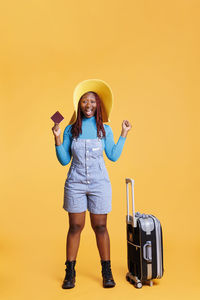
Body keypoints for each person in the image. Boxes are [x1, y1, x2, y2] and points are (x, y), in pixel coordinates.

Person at [52, 79, 132, 289]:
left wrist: (124, 134)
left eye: (93, 102)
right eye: (85, 101)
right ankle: (70, 273)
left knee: (101, 226)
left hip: (99, 184)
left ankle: (106, 272)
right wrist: (58, 137)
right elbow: (63, 160)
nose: (88, 105)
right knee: (75, 226)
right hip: (75, 183)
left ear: (99, 105)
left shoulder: (105, 129)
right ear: (79, 104)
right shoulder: (70, 129)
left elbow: (113, 156)